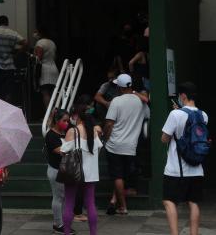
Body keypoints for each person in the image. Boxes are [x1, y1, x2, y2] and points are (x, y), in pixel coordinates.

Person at [161, 82, 207, 235]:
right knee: (193, 203)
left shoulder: (175, 114)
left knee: (169, 200)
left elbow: (164, 139)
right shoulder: (203, 115)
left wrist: (176, 115)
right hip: (197, 169)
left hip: (176, 170)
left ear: (183, 96)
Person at [103, 74, 150, 215]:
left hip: (114, 144)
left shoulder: (116, 101)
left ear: (120, 87)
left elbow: (109, 123)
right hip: (131, 146)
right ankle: (113, 200)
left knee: (117, 176)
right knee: (121, 175)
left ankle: (122, 207)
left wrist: (105, 138)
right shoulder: (140, 102)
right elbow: (147, 116)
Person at [61, 99, 104, 235]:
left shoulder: (72, 131)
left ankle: (67, 232)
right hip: (91, 173)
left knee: (69, 203)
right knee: (90, 204)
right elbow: (98, 148)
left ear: (77, 116)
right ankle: (93, 233)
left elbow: (63, 151)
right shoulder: (94, 131)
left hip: (74, 173)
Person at [44, 109, 75, 234]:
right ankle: (58, 224)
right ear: (57, 120)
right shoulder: (51, 135)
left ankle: (63, 222)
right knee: (58, 197)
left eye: (68, 120)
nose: (67, 123)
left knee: (64, 197)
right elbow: (61, 151)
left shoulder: (66, 132)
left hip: (65, 170)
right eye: (64, 121)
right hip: (55, 170)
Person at [0, 15, 27, 102]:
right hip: (10, 66)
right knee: (8, 92)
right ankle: (7, 107)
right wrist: (17, 54)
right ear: (7, 23)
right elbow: (26, 43)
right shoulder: (13, 33)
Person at [33, 26, 59, 109]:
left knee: (45, 93)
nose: (34, 34)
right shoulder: (52, 42)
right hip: (54, 68)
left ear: (40, 33)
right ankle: (55, 113)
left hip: (44, 69)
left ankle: (48, 115)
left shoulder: (40, 43)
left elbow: (38, 57)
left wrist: (32, 57)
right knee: (53, 93)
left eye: (36, 32)